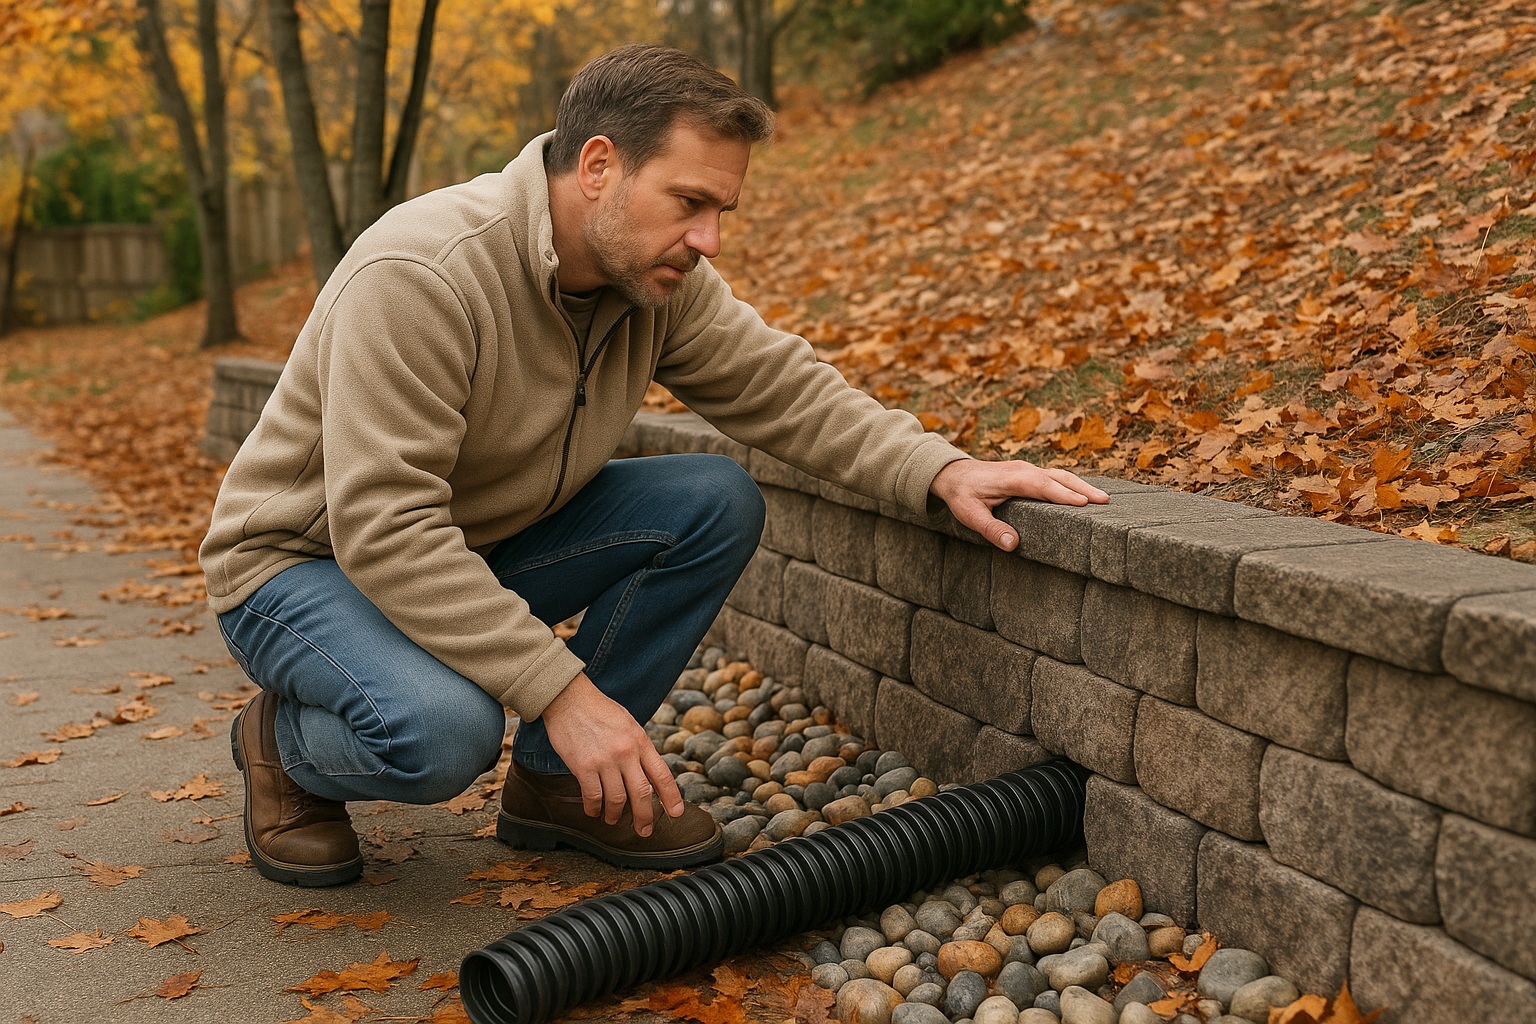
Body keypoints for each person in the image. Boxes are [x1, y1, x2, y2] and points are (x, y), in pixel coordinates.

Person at [201, 44, 1109, 889]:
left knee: (709, 499)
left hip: (466, 545)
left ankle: (559, 789)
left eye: (723, 211)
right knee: (445, 733)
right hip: (301, 567)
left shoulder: (651, 278)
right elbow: (386, 527)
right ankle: (284, 745)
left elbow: (777, 385)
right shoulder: (424, 273)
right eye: (689, 203)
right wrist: (564, 693)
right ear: (598, 167)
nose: (710, 238)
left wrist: (938, 470)